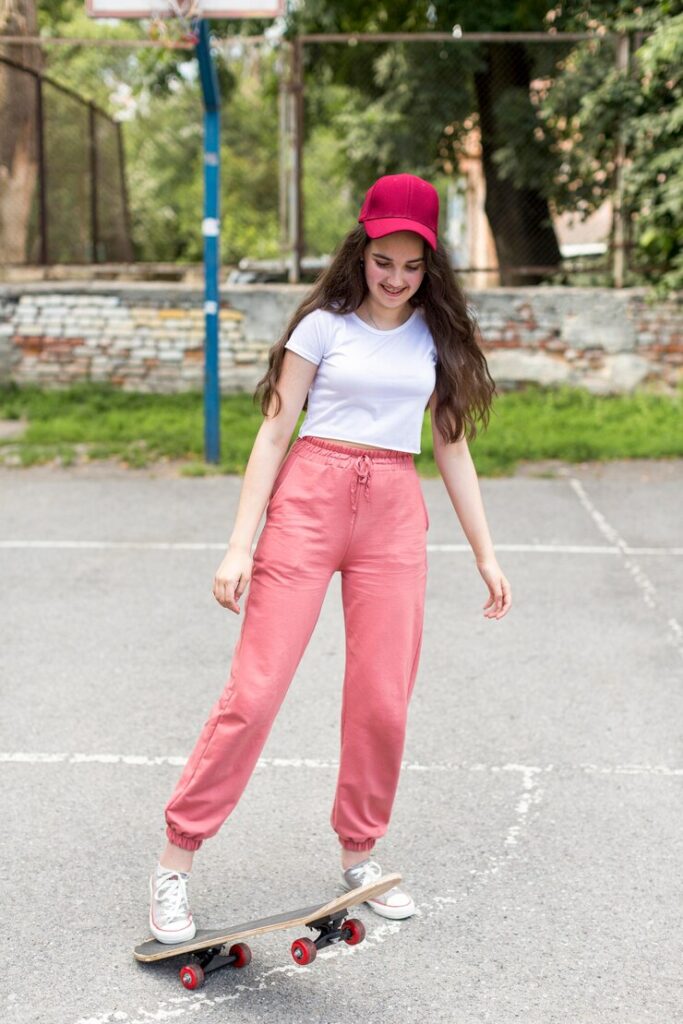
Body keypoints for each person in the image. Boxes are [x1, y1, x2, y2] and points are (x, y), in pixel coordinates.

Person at [148, 172, 511, 943]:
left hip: (390, 515)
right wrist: (238, 545)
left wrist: (485, 554)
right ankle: (174, 864)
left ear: (430, 265)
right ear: (362, 248)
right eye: (384, 262)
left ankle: (360, 854)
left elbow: (451, 449)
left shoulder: (434, 339)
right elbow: (274, 433)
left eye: (412, 267)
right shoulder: (322, 326)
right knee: (255, 692)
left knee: (382, 699)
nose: (396, 279)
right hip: (308, 504)